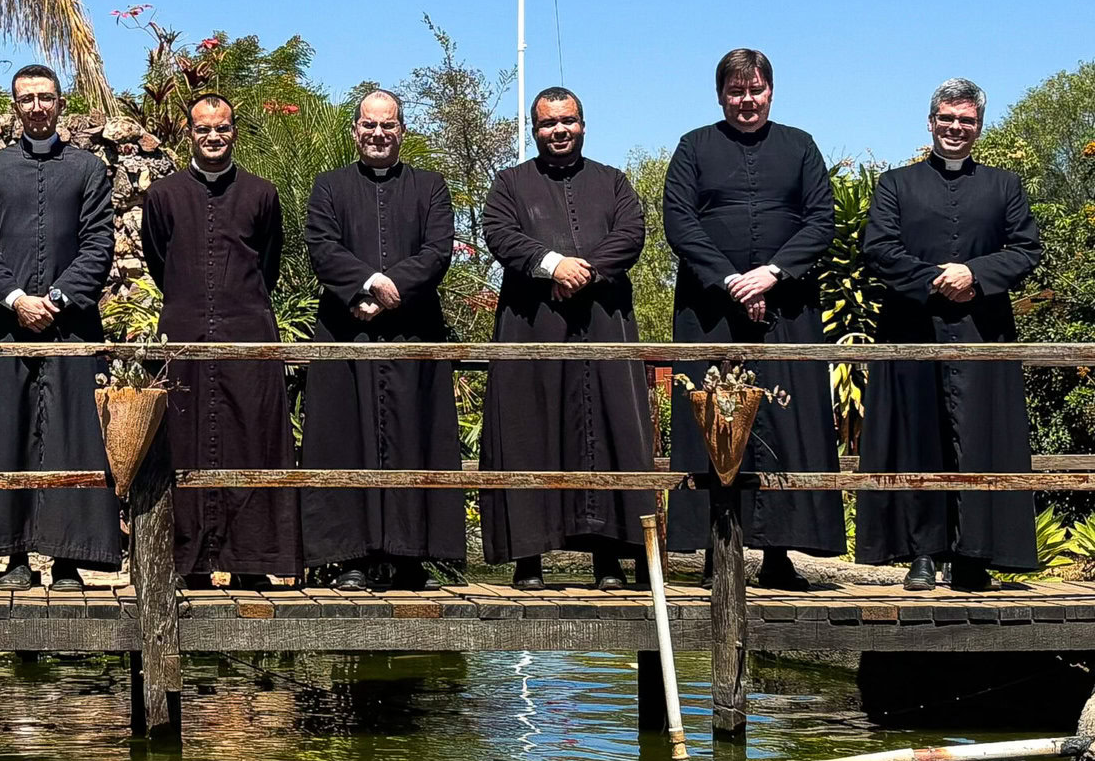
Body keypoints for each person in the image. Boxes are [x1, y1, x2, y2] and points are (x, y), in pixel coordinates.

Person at [664, 49, 844, 586]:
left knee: (785, 426)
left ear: (771, 90)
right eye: (736, 92)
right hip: (710, 309)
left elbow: (821, 220)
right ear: (721, 95)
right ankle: (718, 552)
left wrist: (771, 274)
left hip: (787, 307)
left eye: (756, 90)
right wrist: (729, 281)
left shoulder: (801, 146)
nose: (747, 101)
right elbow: (680, 222)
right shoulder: (694, 146)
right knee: (710, 423)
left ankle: (780, 556)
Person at [857, 79, 1043, 592]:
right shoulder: (895, 184)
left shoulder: (1005, 186)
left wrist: (975, 275)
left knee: (982, 441)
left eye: (966, 120)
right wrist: (937, 279)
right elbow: (879, 248)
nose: (955, 128)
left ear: (979, 126)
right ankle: (922, 554)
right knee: (919, 439)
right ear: (930, 121)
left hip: (982, 330)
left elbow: (1026, 249)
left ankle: (974, 558)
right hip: (913, 325)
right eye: (946, 118)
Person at [481, 88, 653, 589]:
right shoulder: (510, 184)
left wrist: (586, 270)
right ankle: (528, 560)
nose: (559, 130)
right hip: (534, 325)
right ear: (534, 130)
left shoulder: (614, 181)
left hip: (603, 325)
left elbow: (632, 233)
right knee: (528, 435)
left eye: (568, 121)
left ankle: (609, 560)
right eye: (547, 123)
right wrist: (553, 265)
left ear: (583, 124)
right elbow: (501, 235)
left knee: (609, 433)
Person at [0, 64, 121, 589]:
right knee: (4, 435)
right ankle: (12, 558)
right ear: (14, 105)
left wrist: (53, 298)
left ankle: (69, 557)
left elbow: (99, 245)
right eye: (26, 98)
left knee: (73, 438)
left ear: (61, 103)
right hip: (4, 326)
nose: (36, 106)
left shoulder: (87, 169)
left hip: (70, 323)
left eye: (45, 97)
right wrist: (14, 299)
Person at [302, 89, 466, 590]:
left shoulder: (431, 186)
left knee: (415, 436)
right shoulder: (328, 186)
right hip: (346, 327)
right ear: (355, 130)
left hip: (412, 328)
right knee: (344, 438)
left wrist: (393, 286)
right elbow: (320, 245)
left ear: (402, 130)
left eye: (388, 125)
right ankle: (349, 558)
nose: (378, 134)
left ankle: (410, 555)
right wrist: (368, 283)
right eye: (369, 125)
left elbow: (438, 250)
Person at [142, 93, 298, 588]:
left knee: (253, 438)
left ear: (235, 132)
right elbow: (158, 260)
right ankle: (190, 564)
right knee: (182, 441)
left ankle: (252, 560)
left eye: (223, 128)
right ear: (189, 133)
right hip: (184, 330)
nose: (213, 137)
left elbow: (267, 263)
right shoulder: (163, 196)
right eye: (203, 129)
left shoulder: (262, 194)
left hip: (248, 332)